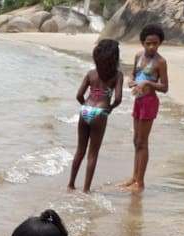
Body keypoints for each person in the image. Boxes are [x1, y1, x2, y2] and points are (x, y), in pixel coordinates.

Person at [118, 24, 168, 195]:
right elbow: (133, 73)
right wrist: (131, 81)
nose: (151, 47)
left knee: (143, 142)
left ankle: (140, 182)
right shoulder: (138, 56)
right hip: (138, 101)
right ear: (142, 43)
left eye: (155, 43)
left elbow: (164, 87)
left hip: (149, 102)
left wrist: (147, 83)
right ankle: (134, 177)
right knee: (136, 141)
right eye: (148, 43)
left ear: (160, 43)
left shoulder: (160, 62)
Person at [69, 39, 123, 194]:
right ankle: (86, 189)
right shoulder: (117, 75)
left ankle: (71, 184)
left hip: (85, 109)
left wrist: (84, 106)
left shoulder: (91, 74)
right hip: (100, 112)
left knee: (80, 150)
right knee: (93, 154)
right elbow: (118, 98)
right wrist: (110, 108)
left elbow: (79, 95)